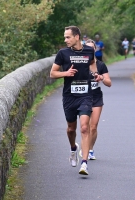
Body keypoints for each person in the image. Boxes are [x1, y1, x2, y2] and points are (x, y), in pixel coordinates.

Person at [50, 26, 102, 175]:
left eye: (68, 37)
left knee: (85, 127)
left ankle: (84, 163)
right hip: (69, 96)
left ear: (77, 37)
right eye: (65, 37)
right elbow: (52, 73)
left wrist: (96, 74)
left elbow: (92, 63)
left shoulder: (88, 50)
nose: (65, 40)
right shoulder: (62, 53)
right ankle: (73, 148)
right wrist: (66, 73)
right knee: (71, 129)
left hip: (86, 94)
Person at [83, 39, 112, 160]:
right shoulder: (80, 64)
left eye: (92, 48)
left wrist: (101, 78)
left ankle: (90, 149)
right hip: (83, 97)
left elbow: (109, 83)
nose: (90, 50)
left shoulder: (100, 65)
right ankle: (84, 148)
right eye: (87, 48)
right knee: (85, 126)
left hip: (96, 97)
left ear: (95, 49)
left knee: (93, 127)